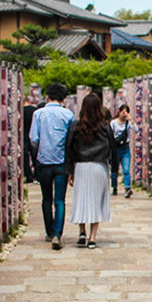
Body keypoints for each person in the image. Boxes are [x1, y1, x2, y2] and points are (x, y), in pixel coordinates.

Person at [29, 82, 75, 250]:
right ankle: (57, 233)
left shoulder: (38, 114)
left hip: (44, 161)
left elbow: (33, 138)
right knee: (60, 200)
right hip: (62, 162)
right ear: (63, 99)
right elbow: (71, 139)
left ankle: (49, 231)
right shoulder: (68, 114)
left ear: (47, 97)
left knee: (46, 199)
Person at [66, 94, 115, 249]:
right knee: (96, 201)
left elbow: (69, 148)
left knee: (81, 199)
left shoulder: (76, 126)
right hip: (99, 166)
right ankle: (92, 238)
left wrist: (70, 171)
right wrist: (114, 169)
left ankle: (82, 232)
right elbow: (113, 147)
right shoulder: (105, 126)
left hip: (81, 166)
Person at [110, 103, 134, 198]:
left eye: (126, 112)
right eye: (123, 112)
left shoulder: (128, 124)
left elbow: (136, 130)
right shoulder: (113, 123)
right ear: (119, 112)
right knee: (114, 170)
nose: (124, 114)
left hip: (125, 148)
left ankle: (127, 188)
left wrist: (131, 119)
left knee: (126, 170)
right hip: (115, 149)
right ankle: (114, 187)